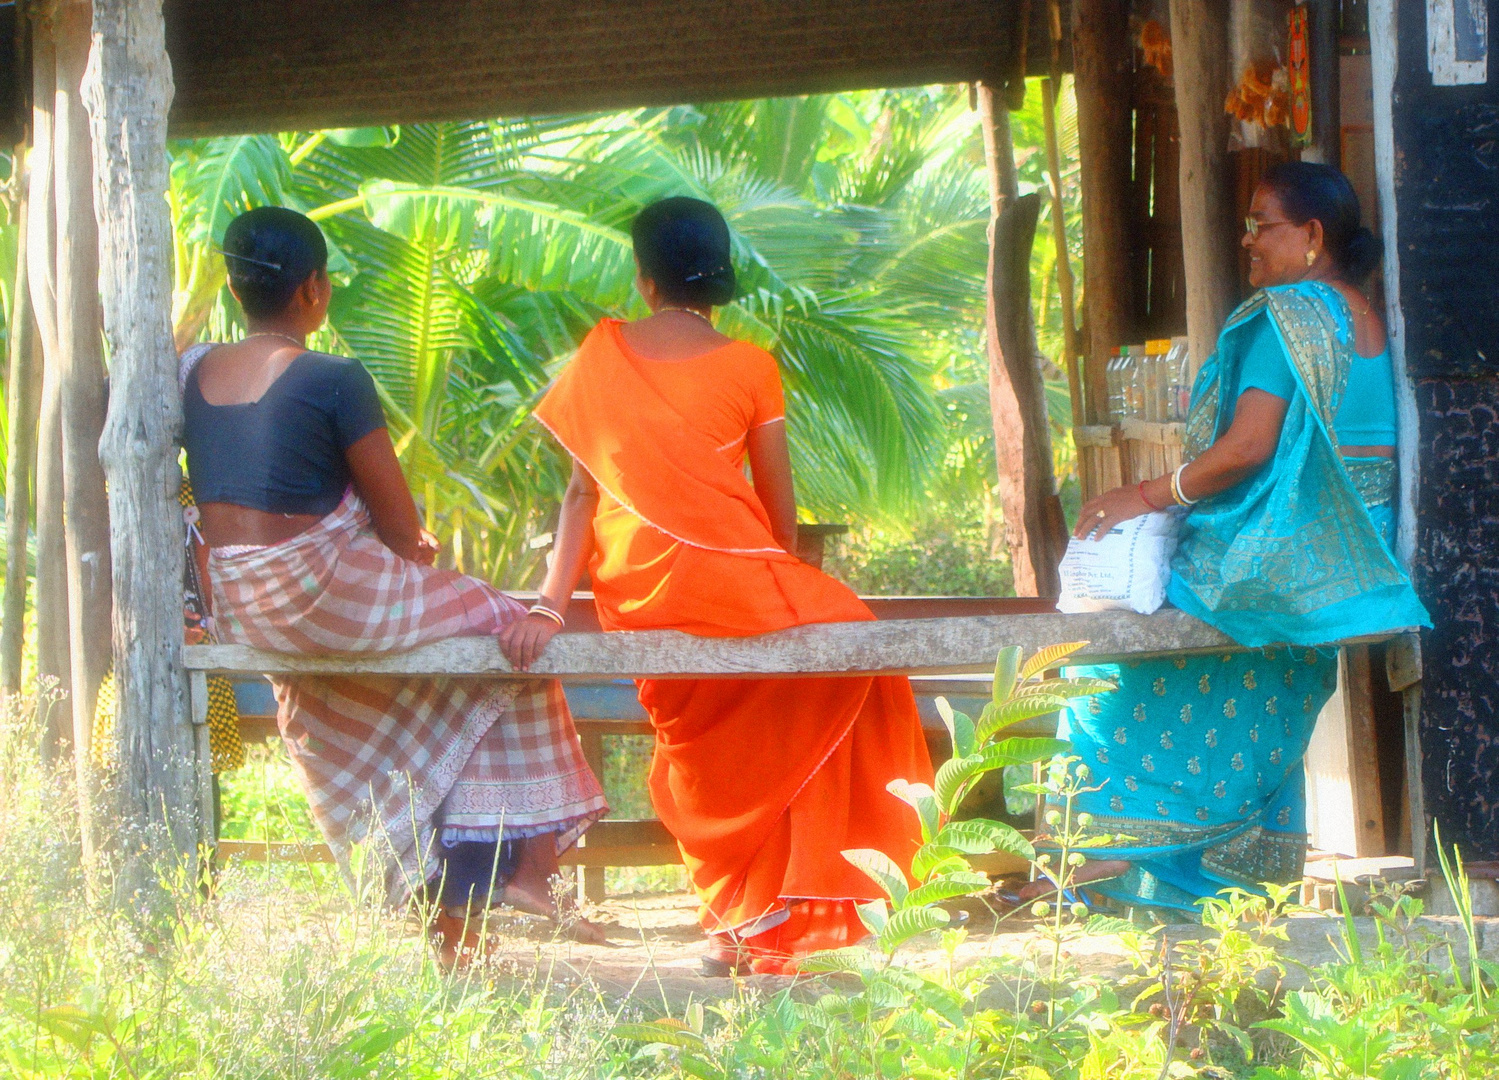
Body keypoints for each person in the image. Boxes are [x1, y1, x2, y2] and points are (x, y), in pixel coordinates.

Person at [503, 196, 933, 975]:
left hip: (632, 592)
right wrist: (776, 594)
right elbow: (779, 514)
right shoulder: (749, 364)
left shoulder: (597, 358)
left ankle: (738, 914)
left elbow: (577, 499)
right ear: (720, 276)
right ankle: (777, 906)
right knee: (854, 651)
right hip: (732, 573)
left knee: (738, 720)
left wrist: (546, 602)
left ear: (643, 280)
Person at [181, 206, 607, 956]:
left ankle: (444, 924)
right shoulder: (333, 377)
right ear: (315, 290)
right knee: (515, 629)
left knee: (370, 695)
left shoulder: (189, 371)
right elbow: (403, 528)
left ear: (235, 287)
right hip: (326, 591)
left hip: (242, 607)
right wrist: (412, 553)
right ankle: (531, 869)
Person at [1052, 162, 1431, 914]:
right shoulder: (1369, 318)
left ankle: (1116, 864)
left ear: (1312, 236)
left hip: (1271, 559)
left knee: (1097, 670)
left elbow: (1247, 448)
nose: (1247, 239)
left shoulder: (1283, 314)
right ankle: (1229, 881)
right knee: (1251, 701)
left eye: (1263, 224)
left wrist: (1145, 495)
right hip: (1349, 567)